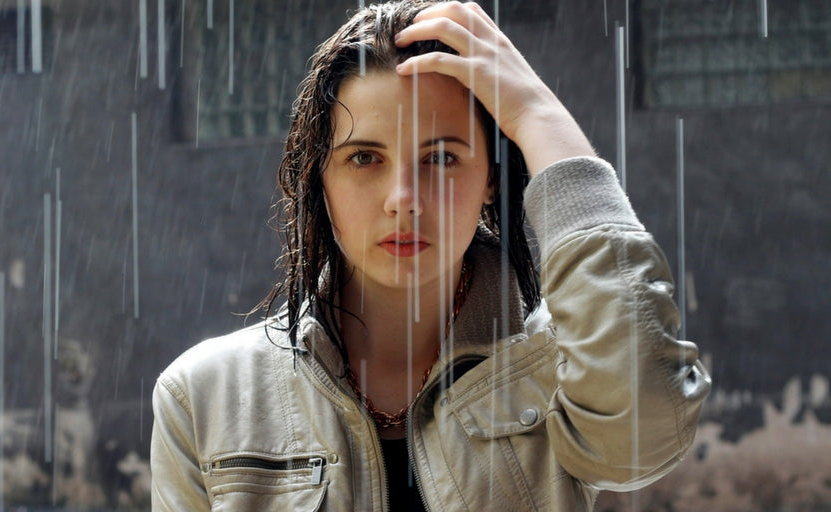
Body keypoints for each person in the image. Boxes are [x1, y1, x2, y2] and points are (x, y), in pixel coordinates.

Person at [150, 1, 711, 510]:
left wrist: (538, 116)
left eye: (441, 158)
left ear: (491, 178)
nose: (404, 200)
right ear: (320, 177)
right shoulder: (205, 396)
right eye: (365, 158)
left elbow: (646, 438)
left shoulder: (560, 367)